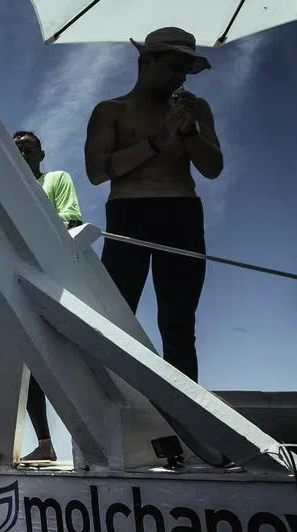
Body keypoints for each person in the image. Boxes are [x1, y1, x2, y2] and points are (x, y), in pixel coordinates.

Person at [84, 27, 223, 383]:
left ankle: (183, 412)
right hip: (129, 213)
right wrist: (156, 143)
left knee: (179, 324)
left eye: (186, 70)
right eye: (175, 66)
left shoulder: (196, 109)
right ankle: (108, 400)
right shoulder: (111, 110)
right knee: (116, 315)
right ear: (146, 61)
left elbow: (213, 168)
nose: (180, 78)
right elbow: (96, 172)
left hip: (182, 213)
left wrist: (189, 133)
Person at [14, 130, 84, 463]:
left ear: (40, 155)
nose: (22, 154)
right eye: (16, 150)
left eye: (28, 149)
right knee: (27, 368)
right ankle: (45, 443)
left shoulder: (56, 179)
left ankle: (88, 443)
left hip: (57, 281)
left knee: (73, 360)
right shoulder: (6, 190)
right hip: (22, 280)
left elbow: (71, 220)